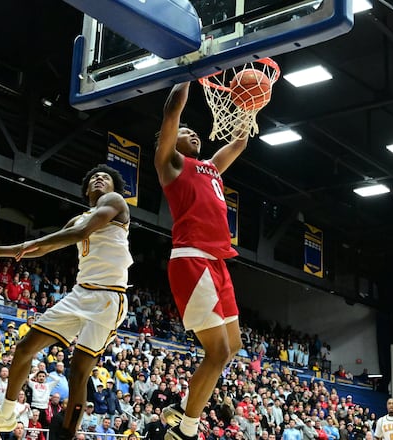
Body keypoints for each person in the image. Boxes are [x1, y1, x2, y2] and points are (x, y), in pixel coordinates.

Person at [0, 164, 132, 439]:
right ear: (86, 190)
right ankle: (5, 414)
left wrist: (29, 244)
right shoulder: (77, 219)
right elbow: (42, 248)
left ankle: (68, 433)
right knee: (25, 347)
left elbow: (78, 234)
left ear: (114, 189)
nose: (100, 178)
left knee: (79, 371)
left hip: (108, 297)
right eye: (94, 178)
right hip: (81, 293)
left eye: (106, 178)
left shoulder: (114, 202)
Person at [154, 82, 246, 440]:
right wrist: (189, 74)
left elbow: (239, 142)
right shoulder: (171, 165)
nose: (192, 134)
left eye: (196, 132)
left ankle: (182, 406)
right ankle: (187, 428)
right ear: (171, 140)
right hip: (192, 260)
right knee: (218, 350)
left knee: (233, 347)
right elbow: (172, 111)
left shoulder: (210, 168)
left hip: (218, 263)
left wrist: (249, 107)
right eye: (185, 131)